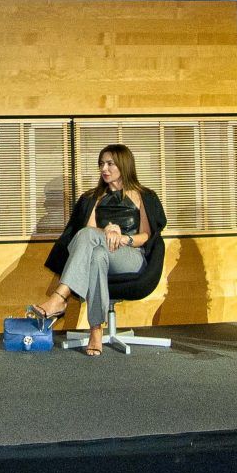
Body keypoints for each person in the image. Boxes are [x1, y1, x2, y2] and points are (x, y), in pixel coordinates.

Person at [29, 144, 166, 356]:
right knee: (97, 254)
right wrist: (106, 231)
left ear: (124, 165)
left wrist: (123, 238)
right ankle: (96, 330)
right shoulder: (93, 197)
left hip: (130, 256)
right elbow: (88, 234)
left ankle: (59, 298)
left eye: (110, 164)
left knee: (90, 239)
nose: (104, 169)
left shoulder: (143, 195)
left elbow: (146, 236)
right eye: (101, 164)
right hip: (102, 252)